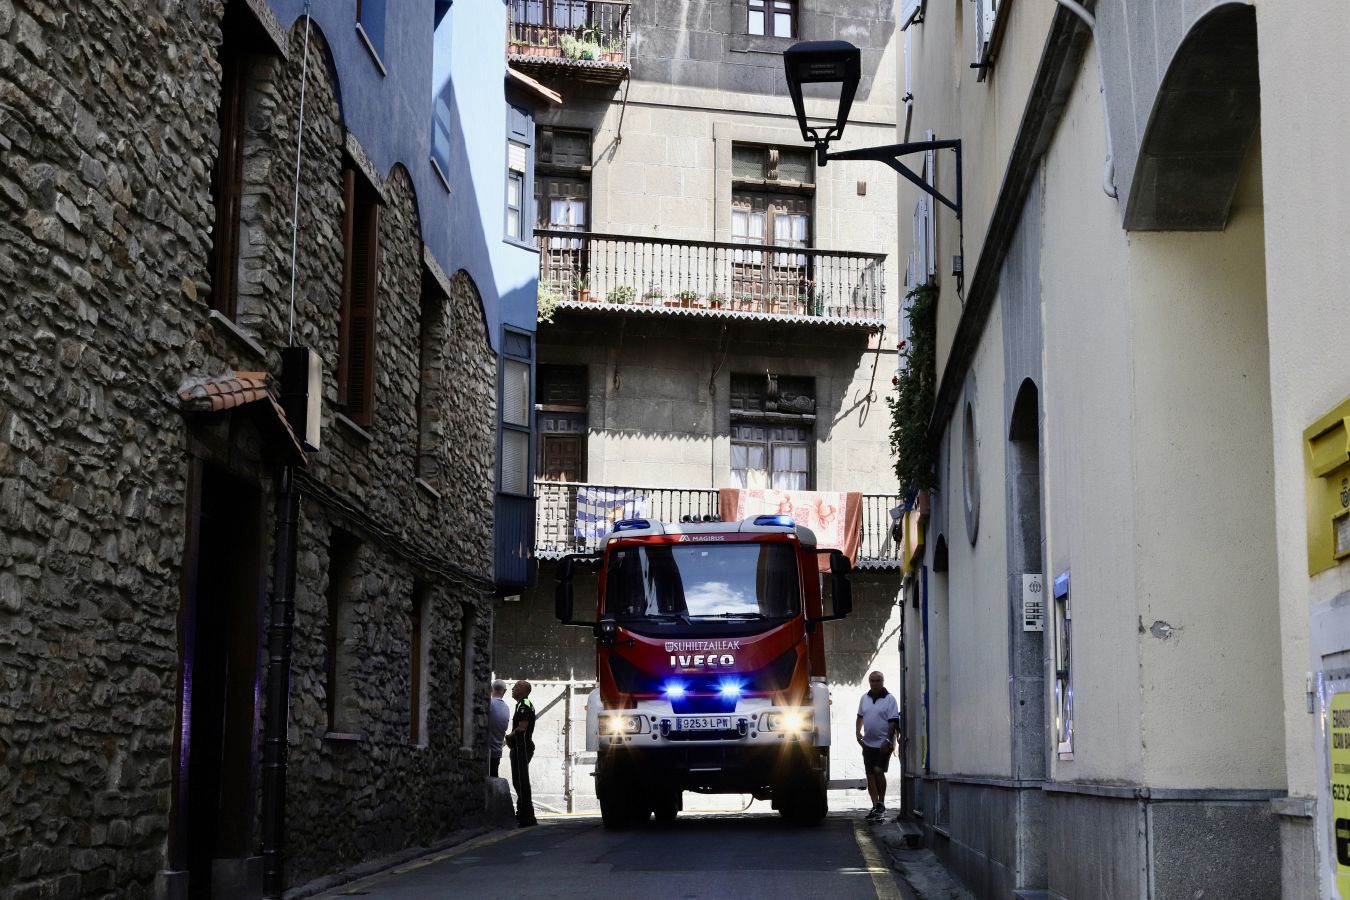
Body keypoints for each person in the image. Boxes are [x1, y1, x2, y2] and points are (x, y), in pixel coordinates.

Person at [856, 670, 899, 822]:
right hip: (868, 743)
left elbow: (893, 721)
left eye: (878, 681)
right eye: (872, 681)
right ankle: (875, 805)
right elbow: (860, 716)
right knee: (870, 774)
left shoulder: (890, 699)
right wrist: (857, 733)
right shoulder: (864, 698)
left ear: (883, 681)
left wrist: (888, 740)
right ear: (869, 682)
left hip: (883, 743)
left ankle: (881, 802)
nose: (875, 683)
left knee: (878, 770)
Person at [505, 679, 537, 827]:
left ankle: (526, 816)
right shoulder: (521, 704)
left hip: (521, 747)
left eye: (517, 686)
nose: (513, 688)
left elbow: (522, 727)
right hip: (520, 747)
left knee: (521, 780)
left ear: (524, 691)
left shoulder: (524, 705)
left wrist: (509, 736)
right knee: (519, 780)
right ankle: (524, 813)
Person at [488, 680, 509, 778]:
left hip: (486, 751)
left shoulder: (489, 705)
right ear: (504, 691)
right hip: (497, 752)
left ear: (491, 689)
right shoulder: (506, 708)